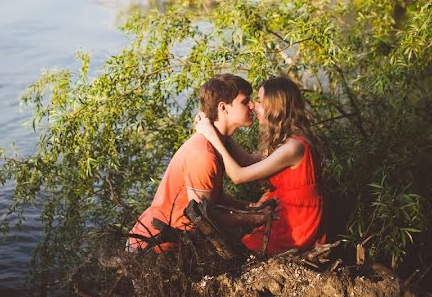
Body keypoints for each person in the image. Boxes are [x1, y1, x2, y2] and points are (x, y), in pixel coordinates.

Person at [195, 76, 325, 255]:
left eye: (261, 102)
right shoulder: (286, 142)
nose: (254, 106)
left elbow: (238, 176)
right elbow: (249, 161)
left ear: (276, 108)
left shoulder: (293, 147)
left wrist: (212, 137)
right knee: (240, 249)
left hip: (296, 224)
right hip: (287, 216)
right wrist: (219, 132)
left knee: (241, 252)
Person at [127, 73, 257, 251]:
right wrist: (251, 217)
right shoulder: (204, 155)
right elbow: (203, 217)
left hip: (166, 244)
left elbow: (214, 198)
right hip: (153, 247)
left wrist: (248, 207)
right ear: (224, 108)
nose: (252, 105)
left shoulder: (218, 142)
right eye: (245, 101)